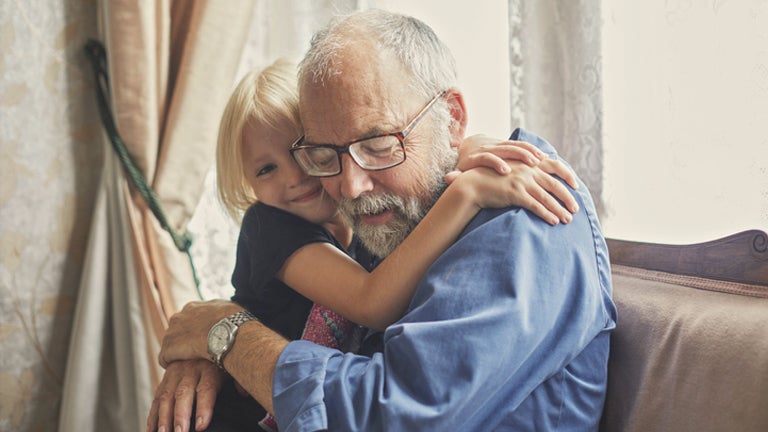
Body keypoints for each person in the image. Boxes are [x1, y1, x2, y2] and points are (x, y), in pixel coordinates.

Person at [154, 9, 616, 432]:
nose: (350, 187)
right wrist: (214, 354)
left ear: (452, 119)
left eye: (377, 144)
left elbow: (392, 414)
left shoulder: (523, 218)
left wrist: (231, 337)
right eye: (325, 154)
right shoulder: (393, 224)